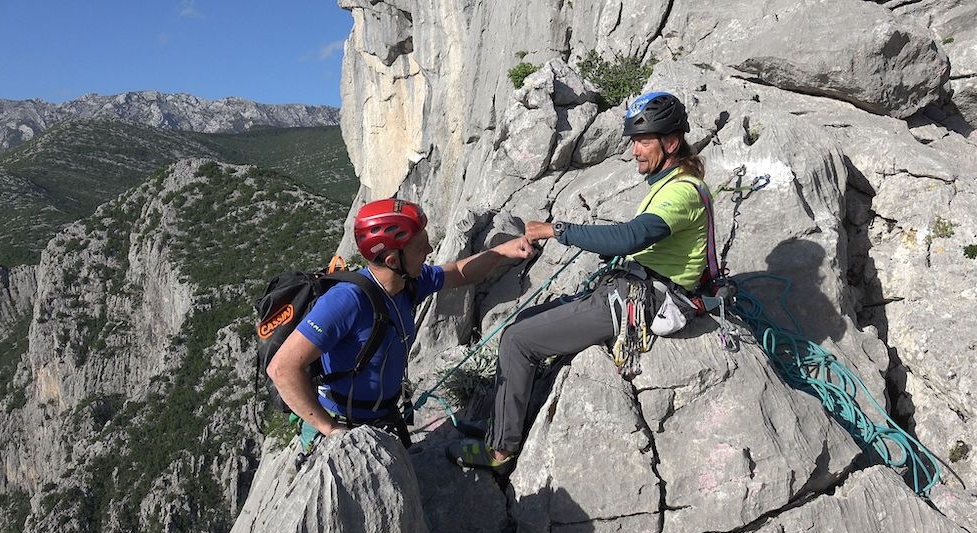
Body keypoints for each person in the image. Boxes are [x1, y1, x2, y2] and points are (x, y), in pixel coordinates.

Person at [447, 91, 712, 472]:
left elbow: (632, 237)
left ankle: (500, 452)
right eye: (634, 141)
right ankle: (501, 424)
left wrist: (560, 230)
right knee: (524, 322)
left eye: (643, 141)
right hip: (633, 288)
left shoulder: (681, 191)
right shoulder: (673, 184)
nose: (635, 150)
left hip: (639, 301)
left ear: (671, 142)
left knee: (517, 341)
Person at [267, 198, 534, 449]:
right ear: (393, 260)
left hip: (383, 418)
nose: (430, 250)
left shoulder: (407, 283)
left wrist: (500, 251)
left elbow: (459, 273)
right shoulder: (347, 301)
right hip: (342, 425)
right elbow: (282, 369)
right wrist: (330, 429)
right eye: (421, 247)